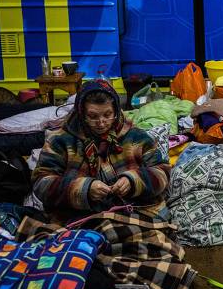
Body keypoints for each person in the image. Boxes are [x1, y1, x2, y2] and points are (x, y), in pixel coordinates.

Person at [32, 79, 170, 218]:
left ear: (116, 110)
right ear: (81, 113)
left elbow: (162, 172)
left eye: (108, 115)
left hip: (133, 212)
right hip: (79, 217)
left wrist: (133, 181)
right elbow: (41, 183)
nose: (101, 123)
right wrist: (83, 189)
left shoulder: (135, 136)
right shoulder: (60, 140)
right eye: (92, 116)